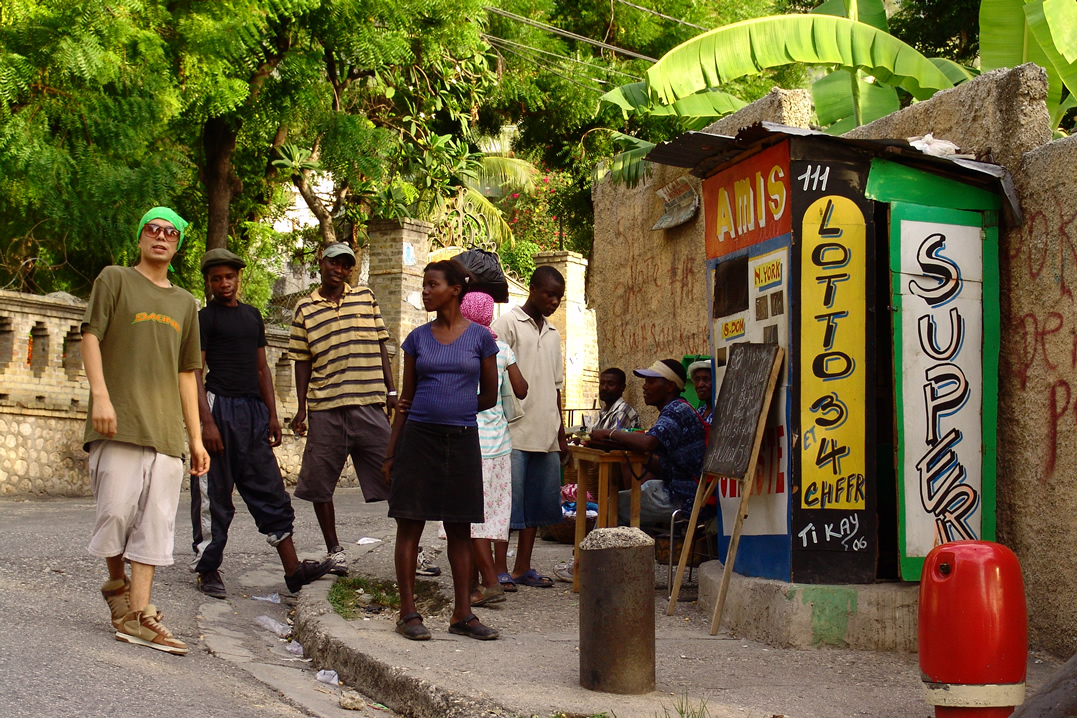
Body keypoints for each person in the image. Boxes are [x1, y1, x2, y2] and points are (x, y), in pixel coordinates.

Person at [83, 207, 209, 655]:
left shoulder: (184, 303)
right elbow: (91, 336)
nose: (160, 237)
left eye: (169, 233)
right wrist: (100, 395)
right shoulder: (114, 279)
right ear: (140, 238)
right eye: (152, 230)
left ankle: (138, 613)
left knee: (154, 527)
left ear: (176, 246)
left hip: (167, 435)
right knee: (115, 513)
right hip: (118, 423)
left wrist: (194, 437)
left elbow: (187, 373)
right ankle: (116, 584)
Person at [190, 249, 336, 599]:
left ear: (239, 278)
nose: (224, 283)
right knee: (216, 494)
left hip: (252, 412)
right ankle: (207, 568)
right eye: (216, 278)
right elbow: (195, 371)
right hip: (218, 407)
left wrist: (272, 414)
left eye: (229, 277)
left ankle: (293, 570)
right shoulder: (204, 319)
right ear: (209, 283)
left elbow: (262, 368)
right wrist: (205, 422)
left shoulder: (252, 317)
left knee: (270, 490)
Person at [383, 260, 500, 641]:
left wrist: (457, 407)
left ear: (455, 290)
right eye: (424, 284)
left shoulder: (481, 339)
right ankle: (408, 613)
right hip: (418, 439)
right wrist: (390, 452)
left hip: (462, 439)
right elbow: (406, 398)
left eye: (433, 284)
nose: (426, 290)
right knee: (410, 523)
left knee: (460, 528)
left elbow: (490, 394)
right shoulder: (416, 339)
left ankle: (462, 614)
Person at [289, 243, 396, 575]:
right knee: (321, 484)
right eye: (333, 262)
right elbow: (302, 361)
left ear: (350, 270)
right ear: (321, 264)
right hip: (326, 407)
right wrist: (302, 408)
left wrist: (391, 390)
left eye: (345, 265)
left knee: (397, 474)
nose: (339, 268)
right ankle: (334, 550)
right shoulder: (304, 308)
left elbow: (381, 345)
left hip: (368, 402)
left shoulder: (365, 298)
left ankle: (413, 548)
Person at [489, 265, 568, 591]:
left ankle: (523, 567)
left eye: (559, 297)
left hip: (545, 431)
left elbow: (557, 386)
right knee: (507, 505)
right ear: (533, 289)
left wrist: (561, 434)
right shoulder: (507, 323)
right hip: (513, 431)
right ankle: (498, 569)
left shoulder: (553, 334)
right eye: (549, 294)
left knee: (536, 506)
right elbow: (492, 369)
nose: (553, 301)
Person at [457, 290, 528, 607]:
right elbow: (522, 389)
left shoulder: (460, 347)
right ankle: (474, 584)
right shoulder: (501, 348)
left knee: (470, 519)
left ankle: (487, 580)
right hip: (499, 444)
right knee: (490, 516)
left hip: (469, 443)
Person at [588, 359, 706, 529]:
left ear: (670, 386)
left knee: (611, 505)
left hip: (683, 497)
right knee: (631, 491)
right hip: (680, 490)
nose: (645, 386)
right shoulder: (675, 408)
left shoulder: (676, 410)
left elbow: (648, 443)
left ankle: (594, 553)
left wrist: (610, 433)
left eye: (651, 382)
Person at [687, 359, 714, 425]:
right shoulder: (699, 412)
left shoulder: (724, 412)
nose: (700, 384)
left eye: (706, 379)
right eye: (697, 380)